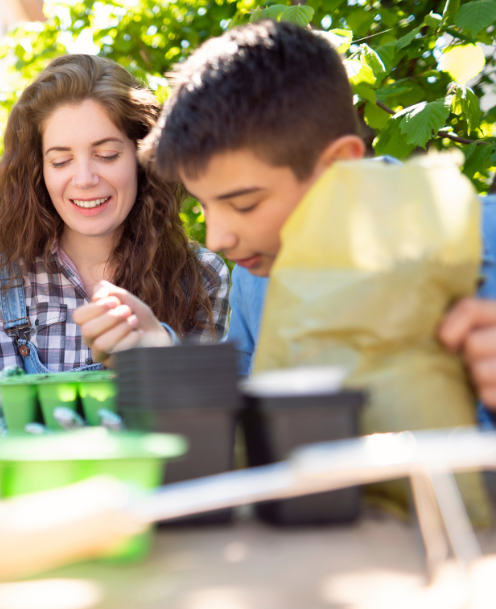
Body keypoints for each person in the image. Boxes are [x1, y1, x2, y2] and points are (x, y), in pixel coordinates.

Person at [140, 20, 496, 419]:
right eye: (205, 205)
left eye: (244, 204)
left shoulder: (486, 242)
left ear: (339, 165)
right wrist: (156, 347)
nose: (219, 238)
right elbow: (239, 422)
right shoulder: (255, 276)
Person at [0, 55, 229, 384]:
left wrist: (161, 352)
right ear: (38, 172)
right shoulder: (3, 283)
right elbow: (0, 426)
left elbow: (205, 423)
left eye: (107, 155)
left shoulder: (203, 278)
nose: (85, 178)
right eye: (61, 161)